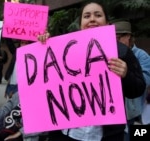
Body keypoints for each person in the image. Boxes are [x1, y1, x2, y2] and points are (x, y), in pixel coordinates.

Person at [38, 1, 146, 141]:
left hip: (105, 135)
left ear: (107, 23)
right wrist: (43, 45)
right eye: (87, 16)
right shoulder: (63, 50)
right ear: (81, 24)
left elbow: (138, 89)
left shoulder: (122, 51)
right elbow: (44, 79)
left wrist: (126, 75)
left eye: (98, 15)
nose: (92, 19)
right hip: (66, 134)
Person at [113, 21, 150, 141]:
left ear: (128, 36)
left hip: (133, 111)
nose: (116, 41)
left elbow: (144, 81)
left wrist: (126, 74)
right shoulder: (112, 54)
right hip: (117, 110)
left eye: (118, 38)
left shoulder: (141, 55)